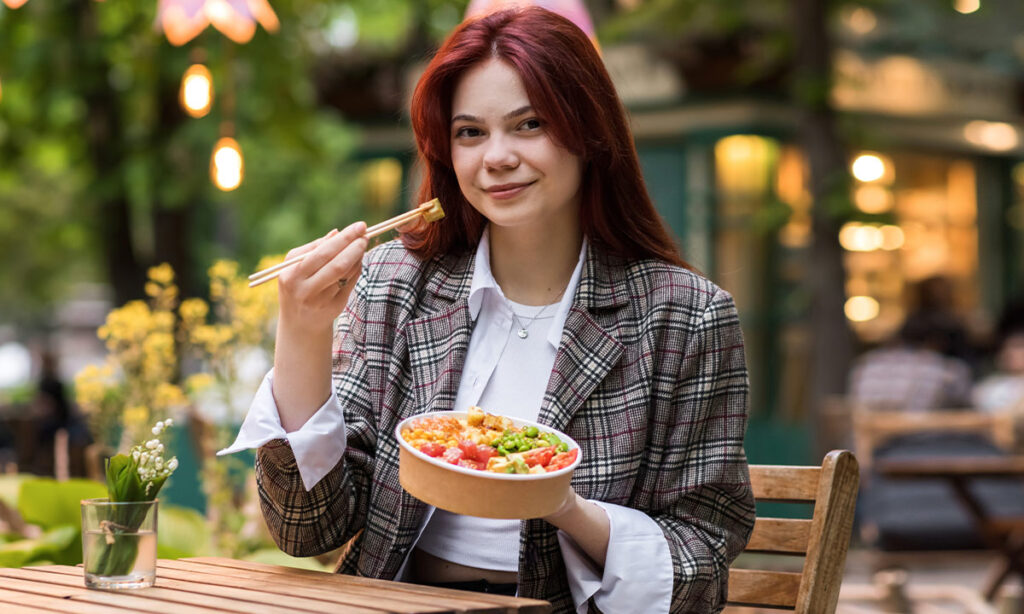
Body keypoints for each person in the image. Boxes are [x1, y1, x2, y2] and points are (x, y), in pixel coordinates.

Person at [221, 7, 754, 613]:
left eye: (528, 125)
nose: (495, 157)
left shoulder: (685, 316)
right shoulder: (397, 283)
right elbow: (306, 530)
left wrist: (563, 505)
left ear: (589, 131)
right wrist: (303, 331)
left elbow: (702, 558)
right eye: (470, 132)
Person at [848, 312, 972, 411]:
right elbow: (967, 408)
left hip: (869, 439)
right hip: (920, 438)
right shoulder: (944, 367)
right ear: (937, 341)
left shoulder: (867, 362)